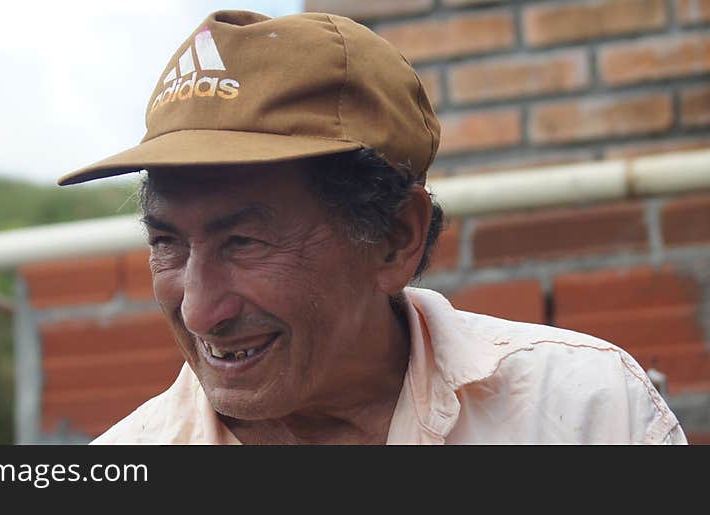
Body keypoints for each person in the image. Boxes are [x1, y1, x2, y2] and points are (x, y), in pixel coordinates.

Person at [58, 10, 686, 444]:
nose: (198, 311)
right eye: (167, 243)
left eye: (243, 243)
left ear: (394, 238)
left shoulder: (579, 413)